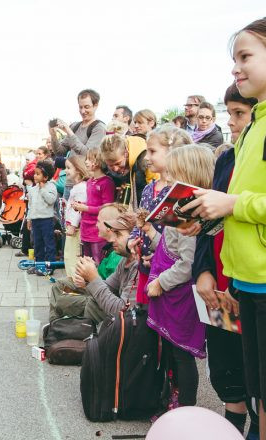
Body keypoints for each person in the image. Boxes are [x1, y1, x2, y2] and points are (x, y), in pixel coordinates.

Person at [182, 19, 266, 439]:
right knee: (239, 375)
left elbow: (239, 205)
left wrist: (232, 204)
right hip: (237, 282)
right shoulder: (238, 148)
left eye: (246, 56)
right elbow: (219, 218)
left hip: (256, 280)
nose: (231, 122)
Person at [192, 83, 258, 438]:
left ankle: (254, 421)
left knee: (254, 369)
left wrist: (233, 283)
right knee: (224, 362)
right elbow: (210, 224)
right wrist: (202, 272)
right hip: (217, 283)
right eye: (229, 113)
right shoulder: (227, 159)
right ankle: (232, 419)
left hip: (245, 282)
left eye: (239, 114)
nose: (231, 122)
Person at [140, 144, 215, 408]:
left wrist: (161, 282)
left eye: (173, 175)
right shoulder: (180, 208)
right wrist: (150, 233)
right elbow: (169, 245)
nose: (167, 180)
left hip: (179, 295)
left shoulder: (191, 216)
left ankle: (187, 409)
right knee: (171, 350)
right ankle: (174, 400)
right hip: (169, 291)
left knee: (182, 354)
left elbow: (187, 263)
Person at [128, 125, 192, 305]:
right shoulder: (149, 188)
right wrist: (132, 239)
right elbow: (141, 222)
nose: (147, 157)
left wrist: (158, 257)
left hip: (168, 273)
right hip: (145, 267)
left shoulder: (178, 192)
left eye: (152, 151)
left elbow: (179, 241)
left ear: (172, 152)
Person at [52, 207, 138, 324]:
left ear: (135, 238)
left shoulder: (138, 266)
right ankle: (58, 328)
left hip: (125, 327)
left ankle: (64, 329)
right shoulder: (125, 259)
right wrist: (88, 279)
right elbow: (108, 286)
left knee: (85, 304)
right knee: (65, 295)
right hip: (109, 310)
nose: (113, 238)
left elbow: (123, 311)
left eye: (118, 234)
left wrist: (93, 278)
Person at [50, 89, 106, 199]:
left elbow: (87, 153)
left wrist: (69, 132)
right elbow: (59, 151)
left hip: (86, 183)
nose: (82, 111)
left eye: (86, 107)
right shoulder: (75, 126)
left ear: (95, 106)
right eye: (80, 107)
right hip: (69, 182)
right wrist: (53, 134)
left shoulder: (98, 127)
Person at [72, 148, 115, 265]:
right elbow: (92, 203)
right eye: (86, 159)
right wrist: (81, 206)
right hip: (85, 229)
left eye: (90, 159)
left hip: (97, 231)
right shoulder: (90, 182)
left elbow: (107, 208)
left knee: (98, 262)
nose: (86, 162)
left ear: (99, 161)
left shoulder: (106, 182)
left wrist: (86, 208)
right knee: (86, 262)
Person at [100, 131, 154, 209]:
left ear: (126, 153)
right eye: (110, 165)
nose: (115, 169)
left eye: (118, 163)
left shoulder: (144, 160)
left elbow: (154, 190)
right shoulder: (104, 165)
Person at [26, 160, 57, 276]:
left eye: (38, 174)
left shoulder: (51, 187)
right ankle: (39, 265)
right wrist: (29, 219)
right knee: (37, 243)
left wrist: (43, 189)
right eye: (35, 173)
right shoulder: (33, 189)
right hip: (35, 220)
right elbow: (31, 206)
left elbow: (51, 200)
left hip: (46, 220)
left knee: (49, 243)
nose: (35, 176)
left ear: (46, 177)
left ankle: (50, 266)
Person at [63, 155, 89, 277]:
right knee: (69, 255)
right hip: (73, 227)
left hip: (75, 229)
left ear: (78, 169)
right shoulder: (78, 187)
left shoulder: (81, 188)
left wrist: (73, 225)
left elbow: (78, 209)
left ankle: (74, 282)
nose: (66, 171)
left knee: (71, 256)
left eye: (68, 168)